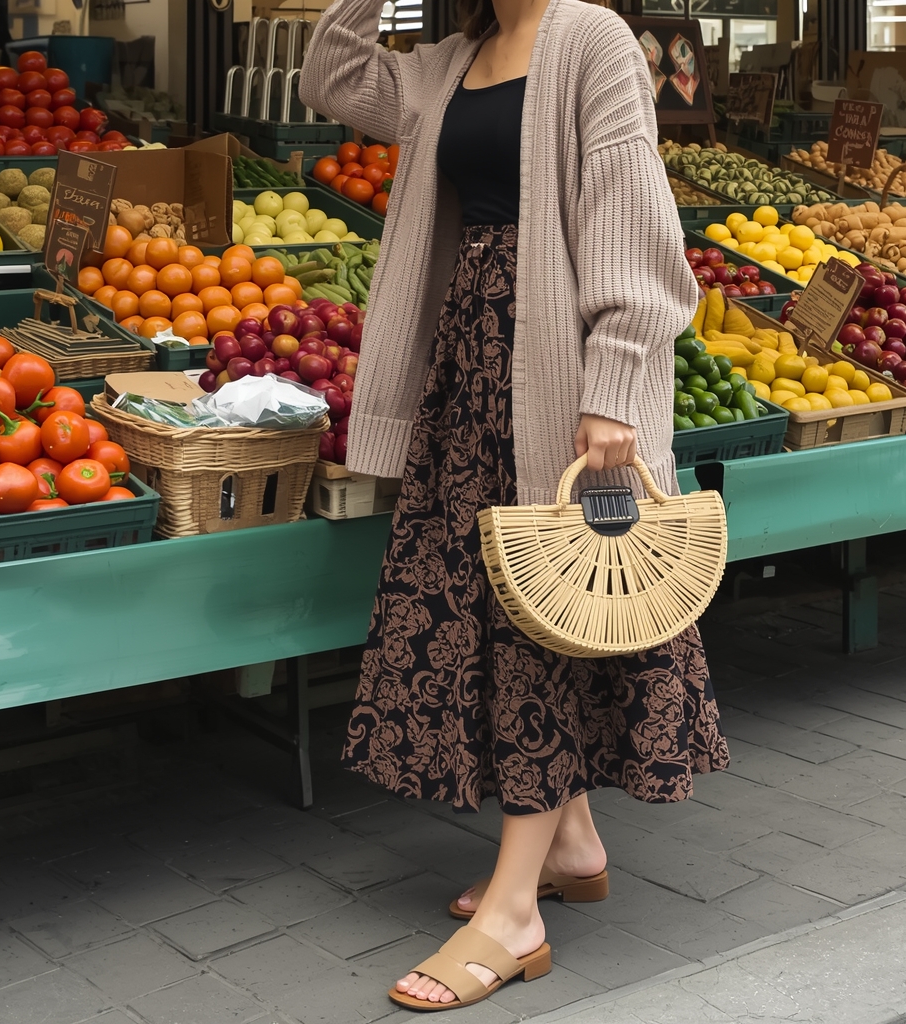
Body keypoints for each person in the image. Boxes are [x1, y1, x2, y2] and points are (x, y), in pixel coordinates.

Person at [300, 0, 730, 1010]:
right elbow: (330, 76)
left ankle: (513, 913)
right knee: (502, 604)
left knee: (538, 625)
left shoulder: (590, 37)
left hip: (556, 370)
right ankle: (571, 843)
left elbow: (632, 211)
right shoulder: (453, 59)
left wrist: (614, 386)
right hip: (467, 367)